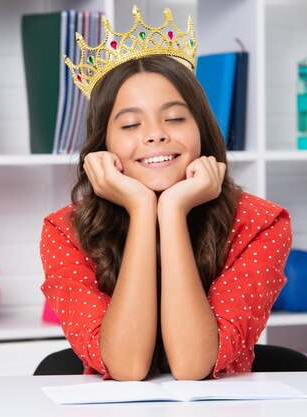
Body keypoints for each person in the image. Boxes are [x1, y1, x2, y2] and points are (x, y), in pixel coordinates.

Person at [40, 7, 291, 381]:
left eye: (175, 118)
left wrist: (171, 210)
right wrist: (143, 209)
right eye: (129, 123)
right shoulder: (64, 231)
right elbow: (126, 367)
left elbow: (193, 365)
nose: (156, 134)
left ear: (202, 129)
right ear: (102, 143)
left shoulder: (261, 223)